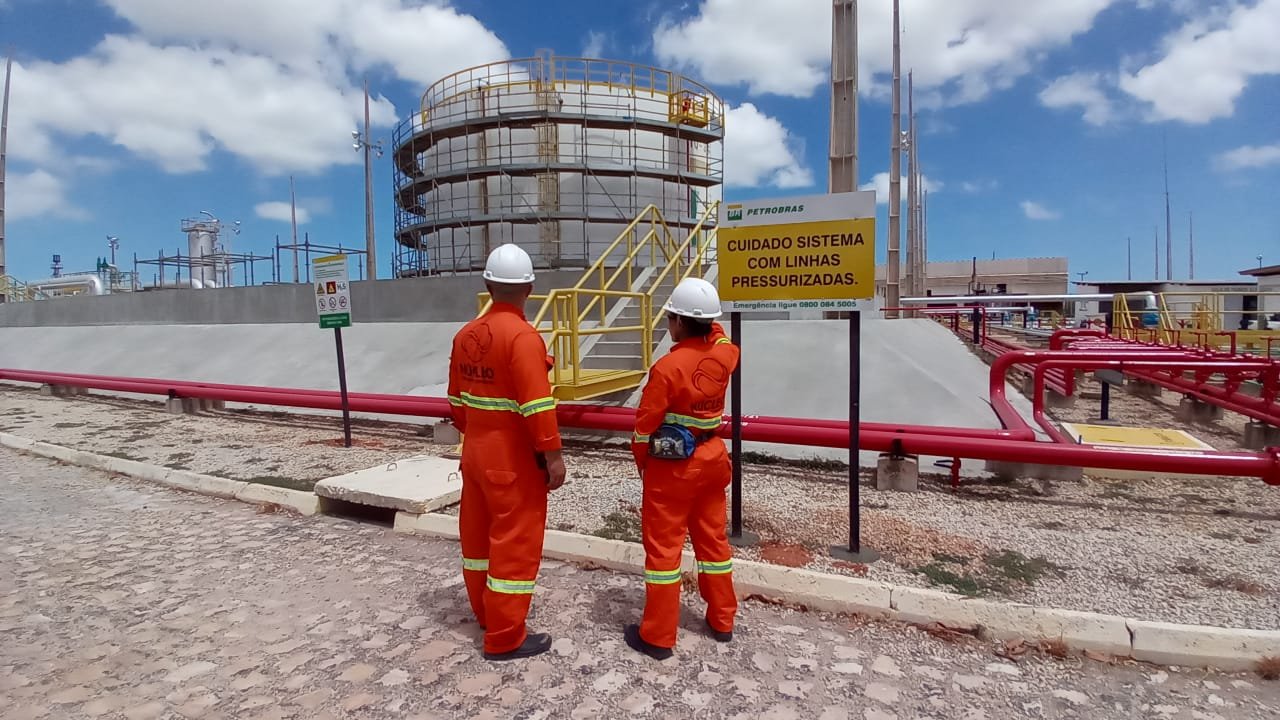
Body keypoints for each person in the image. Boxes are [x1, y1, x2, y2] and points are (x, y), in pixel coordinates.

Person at [447, 243, 566, 661]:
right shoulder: (524, 338)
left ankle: (485, 614)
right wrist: (552, 455)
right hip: (512, 460)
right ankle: (505, 636)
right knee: (514, 543)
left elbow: (456, 403)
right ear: (529, 288)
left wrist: (477, 434)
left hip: (475, 453)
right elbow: (537, 405)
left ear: (488, 285)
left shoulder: (465, 336)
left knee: (477, 542)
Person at [624, 276, 740, 660]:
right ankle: (722, 619)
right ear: (709, 323)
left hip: (671, 471)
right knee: (713, 543)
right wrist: (706, 319)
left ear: (676, 322)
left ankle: (658, 636)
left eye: (670, 317)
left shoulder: (667, 368)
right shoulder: (726, 355)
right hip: (712, 462)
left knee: (663, 553)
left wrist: (643, 465)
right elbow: (718, 334)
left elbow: (643, 429)